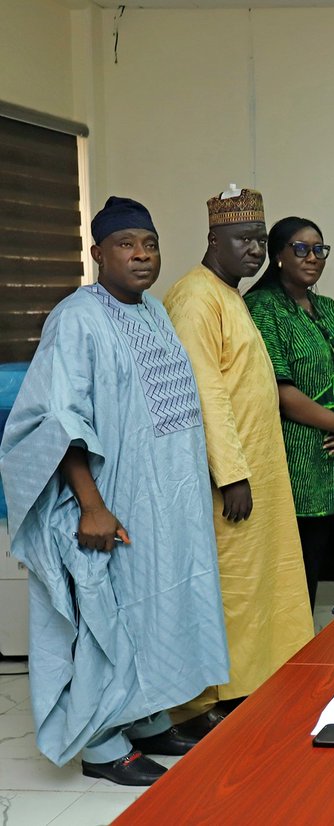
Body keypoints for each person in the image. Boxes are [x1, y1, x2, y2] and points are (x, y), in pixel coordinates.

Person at [0, 197, 228, 785]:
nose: (142, 254)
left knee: (159, 605)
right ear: (97, 254)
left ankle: (147, 717)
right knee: (112, 612)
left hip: (166, 499)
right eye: (127, 244)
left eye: (149, 243)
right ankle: (102, 743)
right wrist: (93, 506)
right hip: (112, 500)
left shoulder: (152, 310)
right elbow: (57, 419)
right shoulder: (77, 317)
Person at [163, 186, 312, 734]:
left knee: (259, 583)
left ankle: (252, 684)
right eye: (242, 240)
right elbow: (206, 393)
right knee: (232, 586)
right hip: (229, 478)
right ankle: (214, 699)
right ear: (212, 240)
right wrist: (231, 473)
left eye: (258, 239)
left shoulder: (228, 294)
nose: (254, 250)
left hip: (259, 468)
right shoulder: (195, 298)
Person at [245, 217, 334, 610]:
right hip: (293, 462)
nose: (312, 257)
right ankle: (288, 658)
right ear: (278, 255)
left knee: (316, 570)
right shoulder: (262, 308)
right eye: (300, 248)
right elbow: (277, 390)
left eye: (319, 249)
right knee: (290, 577)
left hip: (332, 466)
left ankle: (304, 650)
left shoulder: (328, 307)